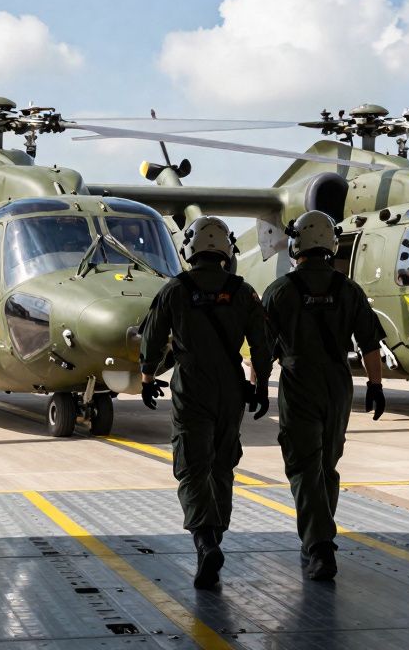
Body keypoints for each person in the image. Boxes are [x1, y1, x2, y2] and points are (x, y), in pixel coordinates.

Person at [139, 216, 272, 590]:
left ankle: (204, 541)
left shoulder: (175, 289)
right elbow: (262, 344)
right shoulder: (242, 292)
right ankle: (217, 536)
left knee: (192, 466)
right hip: (231, 389)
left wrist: (148, 378)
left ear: (190, 248)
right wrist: (259, 385)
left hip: (191, 386)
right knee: (222, 464)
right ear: (226, 249)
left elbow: (152, 338)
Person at [262, 210, 387, 582]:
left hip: (299, 381)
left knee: (304, 467)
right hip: (339, 382)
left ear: (296, 243)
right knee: (326, 465)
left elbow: (263, 348)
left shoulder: (280, 290)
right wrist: (376, 386)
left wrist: (255, 386)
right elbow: (370, 344)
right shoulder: (349, 289)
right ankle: (318, 536)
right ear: (331, 243)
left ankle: (319, 546)